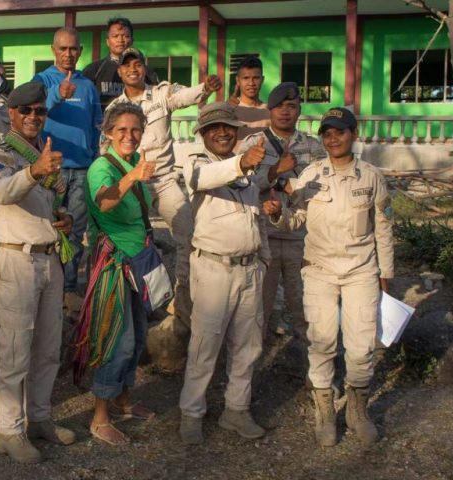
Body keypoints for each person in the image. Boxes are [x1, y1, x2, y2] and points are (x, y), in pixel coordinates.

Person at [263, 107, 394, 447]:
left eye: (340, 131)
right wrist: (279, 215)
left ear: (353, 134)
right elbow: (295, 221)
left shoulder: (371, 176)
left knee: (362, 345)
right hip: (319, 270)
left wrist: (386, 276)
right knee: (321, 341)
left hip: (361, 271)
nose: (333, 138)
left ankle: (357, 409)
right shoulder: (312, 175)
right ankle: (324, 408)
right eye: (327, 133)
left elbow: (383, 228)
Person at [0, 82, 76, 463]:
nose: (35, 117)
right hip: (15, 259)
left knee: (48, 347)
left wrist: (62, 218)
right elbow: (1, 193)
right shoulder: (1, 154)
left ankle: (38, 417)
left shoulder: (45, 153)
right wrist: (34, 172)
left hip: (47, 256)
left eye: (40, 110)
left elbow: (46, 206)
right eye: (27, 111)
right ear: (12, 114)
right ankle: (9, 430)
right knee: (15, 350)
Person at [107, 47, 221, 334]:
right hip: (132, 183)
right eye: (127, 65)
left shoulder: (160, 93)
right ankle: (133, 308)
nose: (133, 69)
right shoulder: (113, 109)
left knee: (189, 235)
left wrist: (204, 88)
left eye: (138, 64)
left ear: (144, 68)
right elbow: (105, 149)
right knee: (129, 246)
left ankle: (183, 306)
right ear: (119, 72)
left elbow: (185, 97)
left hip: (164, 181)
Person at [178, 102, 271, 445]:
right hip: (214, 269)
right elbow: (201, 180)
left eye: (228, 127)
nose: (222, 132)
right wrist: (241, 162)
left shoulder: (247, 171)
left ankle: (236, 410)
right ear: (202, 133)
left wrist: (264, 257)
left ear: (236, 131)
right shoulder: (197, 163)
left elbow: (255, 216)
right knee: (205, 345)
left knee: (248, 347)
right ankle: (191, 412)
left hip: (249, 269)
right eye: (214, 128)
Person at [75, 102, 157, 446]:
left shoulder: (136, 162)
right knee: (116, 341)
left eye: (135, 129)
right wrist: (131, 178)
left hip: (138, 261)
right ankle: (99, 416)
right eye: (121, 130)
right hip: (114, 264)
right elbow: (106, 201)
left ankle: (123, 399)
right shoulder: (102, 167)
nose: (129, 135)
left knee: (138, 337)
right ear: (108, 133)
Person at [235, 82, 326, 344]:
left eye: (291, 106)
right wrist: (275, 173)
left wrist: (292, 186)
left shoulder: (313, 147)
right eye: (279, 107)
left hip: (302, 237)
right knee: (259, 307)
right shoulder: (254, 144)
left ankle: (314, 366)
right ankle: (253, 367)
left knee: (305, 305)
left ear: (299, 110)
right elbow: (241, 184)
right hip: (266, 236)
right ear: (270, 110)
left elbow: (321, 189)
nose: (285, 112)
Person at [33, 27, 103, 301]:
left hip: (83, 169)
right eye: (62, 48)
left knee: (75, 232)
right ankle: (46, 288)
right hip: (52, 169)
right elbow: (32, 112)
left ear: (80, 51)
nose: (68, 54)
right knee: (49, 229)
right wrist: (56, 94)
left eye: (73, 49)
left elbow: (97, 125)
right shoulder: (41, 80)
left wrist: (96, 157)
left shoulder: (87, 85)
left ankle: (68, 290)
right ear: (53, 50)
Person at [81, 16, 159, 109]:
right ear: (107, 41)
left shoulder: (145, 72)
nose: (120, 40)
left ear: (132, 40)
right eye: (115, 36)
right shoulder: (94, 70)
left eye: (125, 36)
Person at [226, 56, 270, 141]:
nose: (251, 83)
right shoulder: (229, 109)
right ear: (238, 80)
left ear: (262, 79)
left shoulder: (270, 111)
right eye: (246, 78)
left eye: (256, 78)